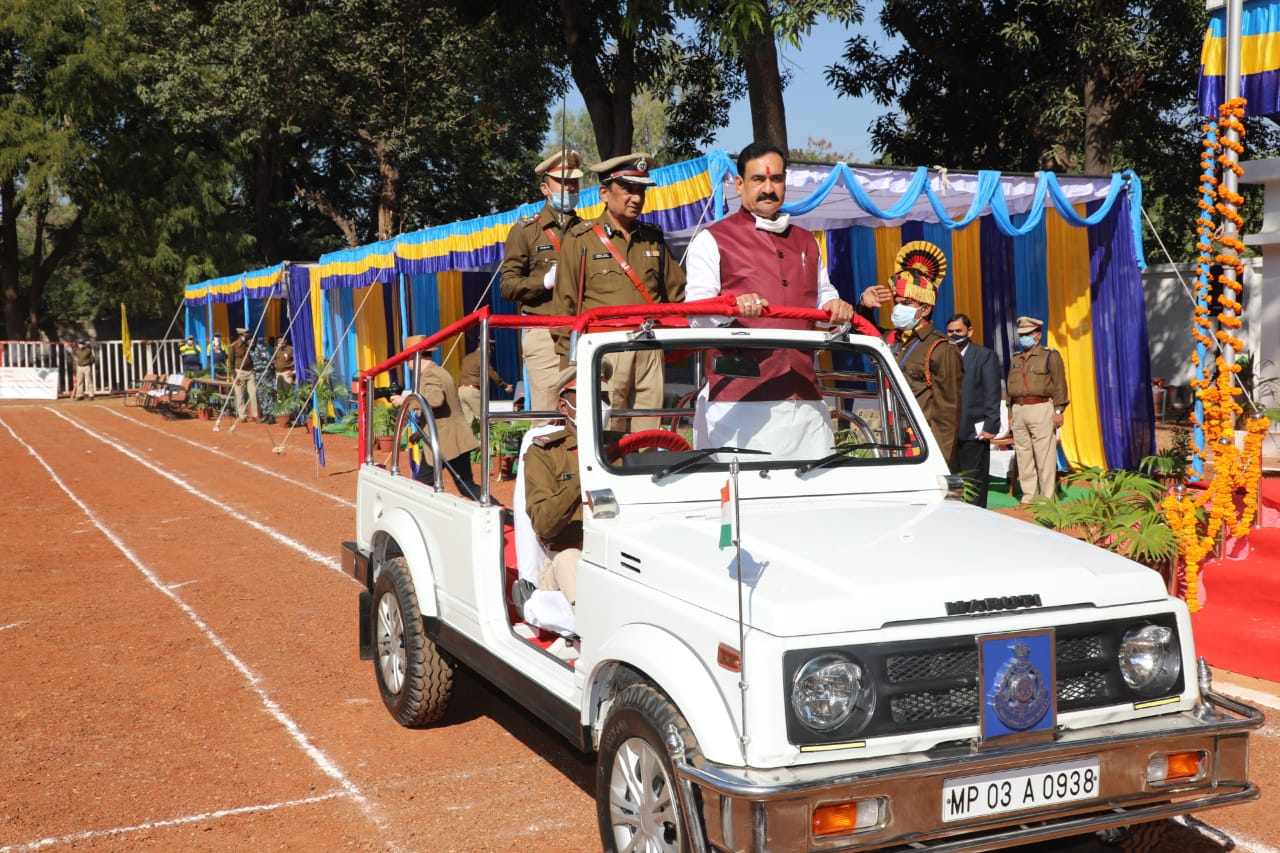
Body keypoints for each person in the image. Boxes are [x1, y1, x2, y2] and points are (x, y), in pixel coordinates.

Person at [685, 140, 854, 457]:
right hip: (738, 400)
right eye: (758, 179)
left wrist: (833, 304)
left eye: (776, 179)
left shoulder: (806, 241)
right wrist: (730, 306)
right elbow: (696, 315)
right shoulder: (712, 239)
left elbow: (822, 292)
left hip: (805, 396)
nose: (768, 188)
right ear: (739, 184)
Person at [553, 153, 686, 431]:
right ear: (604, 193)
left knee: (648, 436)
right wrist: (571, 370)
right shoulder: (581, 240)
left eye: (641, 191)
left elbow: (678, 295)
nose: (636, 198)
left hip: (650, 347)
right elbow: (565, 311)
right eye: (627, 189)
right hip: (605, 351)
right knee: (607, 437)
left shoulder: (654, 238)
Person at [859, 241, 964, 461]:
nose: (898, 308)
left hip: (920, 443)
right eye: (897, 302)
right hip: (888, 435)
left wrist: (940, 462)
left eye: (906, 303)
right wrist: (864, 305)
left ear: (925, 309)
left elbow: (947, 413)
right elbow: (858, 332)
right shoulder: (889, 339)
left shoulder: (941, 348)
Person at [500, 150, 584, 415]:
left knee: (583, 417)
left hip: (581, 333)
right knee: (549, 417)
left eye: (574, 182)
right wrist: (544, 281)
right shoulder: (526, 230)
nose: (570, 187)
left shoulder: (587, 230)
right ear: (545, 188)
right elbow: (508, 285)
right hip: (544, 332)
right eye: (563, 182)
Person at [522, 366, 587, 617]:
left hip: (615, 555)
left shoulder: (620, 446)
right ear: (564, 406)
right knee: (570, 559)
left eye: (604, 396)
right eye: (586, 396)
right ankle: (586, 635)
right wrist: (584, 479)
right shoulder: (545, 452)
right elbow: (544, 524)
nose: (598, 404)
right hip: (562, 560)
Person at [390, 335, 481, 500]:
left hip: (444, 440)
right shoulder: (437, 371)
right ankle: (502, 514)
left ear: (415, 357)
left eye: (408, 359)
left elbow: (435, 400)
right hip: (450, 438)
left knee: (422, 486)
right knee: (467, 486)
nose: (408, 364)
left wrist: (405, 401)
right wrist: (420, 432)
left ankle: (501, 515)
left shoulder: (430, 375)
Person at [1007, 315, 1069, 503]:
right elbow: (1011, 385)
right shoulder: (1016, 358)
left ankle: (1046, 497)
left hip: (1041, 406)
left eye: (1028, 333)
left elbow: (1060, 385)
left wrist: (1059, 411)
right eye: (1021, 334)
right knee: (1024, 455)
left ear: (1037, 335)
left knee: (1044, 455)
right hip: (1019, 408)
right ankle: (1028, 496)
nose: (1024, 337)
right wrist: (1010, 412)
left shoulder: (1050, 355)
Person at [946, 314, 1002, 506]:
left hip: (974, 431)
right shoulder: (944, 354)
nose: (954, 335)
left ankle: (976, 520)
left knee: (974, 481)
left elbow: (992, 393)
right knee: (952, 482)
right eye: (950, 331)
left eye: (958, 331)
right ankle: (954, 519)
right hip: (948, 432)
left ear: (970, 331)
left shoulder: (985, 356)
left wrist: (991, 425)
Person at [458, 340, 513, 436]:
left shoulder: (467, 357)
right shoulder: (481, 357)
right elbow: (490, 372)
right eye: (491, 350)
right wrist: (504, 385)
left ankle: (471, 446)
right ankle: (490, 445)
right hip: (472, 391)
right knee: (485, 418)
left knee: (469, 423)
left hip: (461, 390)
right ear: (488, 348)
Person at [228, 327, 263, 422]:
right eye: (245, 335)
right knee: (240, 395)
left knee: (253, 393)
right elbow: (230, 363)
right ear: (240, 336)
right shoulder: (233, 346)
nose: (247, 336)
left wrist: (253, 344)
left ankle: (255, 415)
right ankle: (242, 415)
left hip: (250, 371)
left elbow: (255, 352)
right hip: (239, 372)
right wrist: (235, 376)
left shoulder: (248, 345)